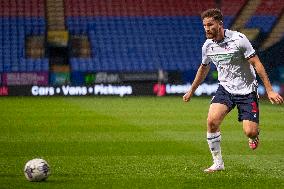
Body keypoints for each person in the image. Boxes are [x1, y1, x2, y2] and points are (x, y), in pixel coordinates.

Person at [182, 8, 284, 173]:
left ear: (220, 24)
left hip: (247, 90)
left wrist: (270, 90)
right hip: (225, 89)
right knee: (211, 122)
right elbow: (203, 68)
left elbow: (257, 64)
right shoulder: (207, 46)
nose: (207, 28)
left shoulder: (239, 39)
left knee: (250, 132)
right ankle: (218, 163)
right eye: (204, 25)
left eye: (210, 24)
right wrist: (191, 90)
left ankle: (254, 135)